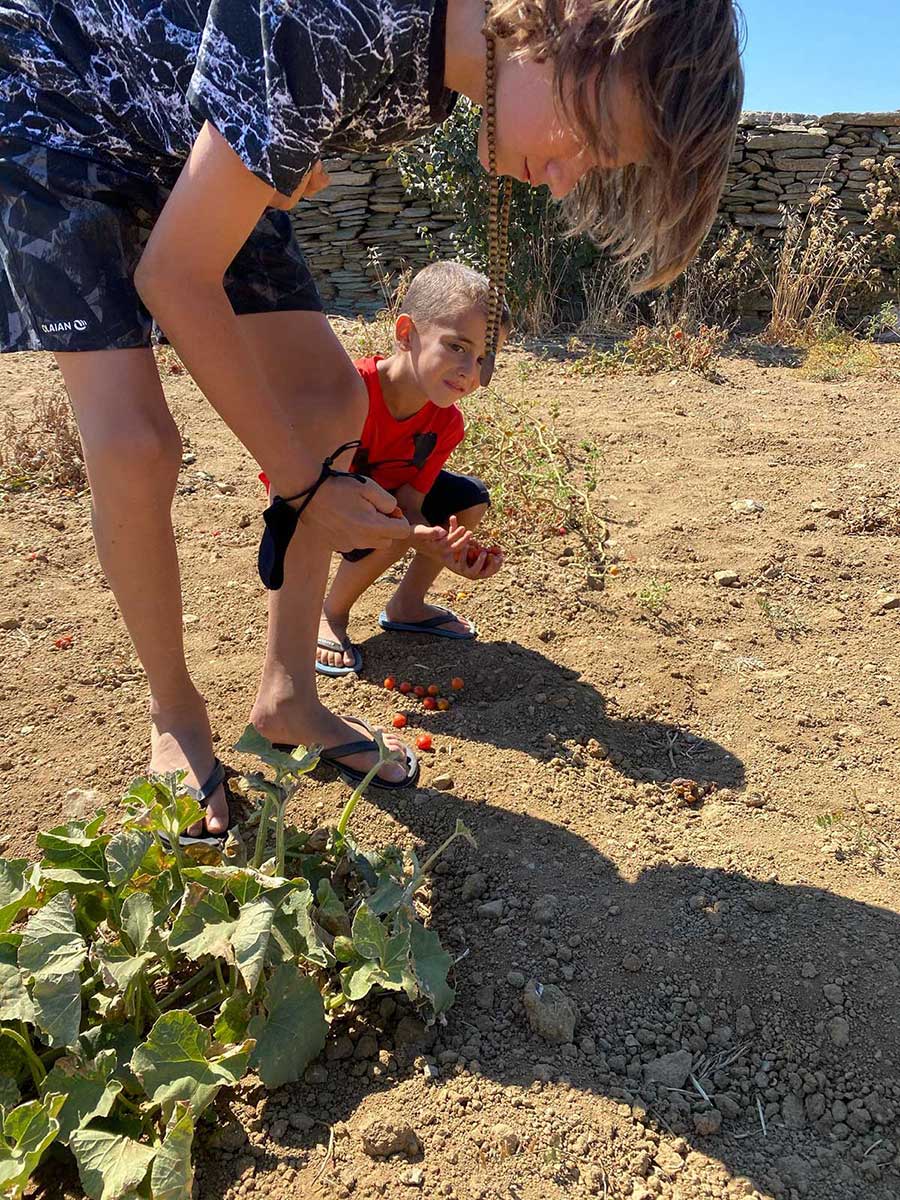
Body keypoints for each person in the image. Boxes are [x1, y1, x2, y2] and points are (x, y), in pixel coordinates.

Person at [0, 0, 745, 835]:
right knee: (139, 446)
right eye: (594, 141)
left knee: (328, 403)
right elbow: (175, 277)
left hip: (191, 139)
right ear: (573, 23)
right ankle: (174, 712)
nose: (569, 176)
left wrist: (295, 152)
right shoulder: (348, 15)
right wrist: (302, 480)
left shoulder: (437, 69)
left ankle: (286, 695)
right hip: (64, 103)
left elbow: (251, 87)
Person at [304, 261, 510, 679]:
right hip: (315, 506)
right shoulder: (352, 390)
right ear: (406, 334)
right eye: (457, 347)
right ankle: (331, 614)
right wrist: (408, 530)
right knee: (395, 525)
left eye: (484, 358)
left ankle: (407, 606)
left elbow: (412, 501)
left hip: (387, 505)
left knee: (468, 500)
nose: (470, 372)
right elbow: (316, 486)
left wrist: (444, 548)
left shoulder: (446, 422)